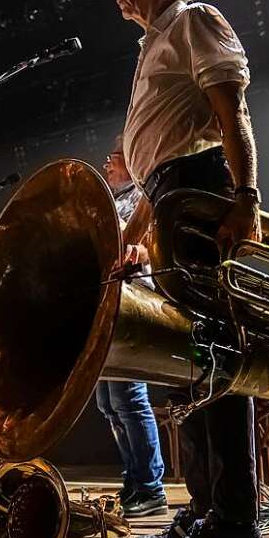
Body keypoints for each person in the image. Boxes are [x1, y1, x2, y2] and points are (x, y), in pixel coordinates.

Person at [107, 0, 263, 538]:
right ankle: (202, 512)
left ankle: (233, 529)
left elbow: (231, 116)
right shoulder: (152, 47)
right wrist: (130, 232)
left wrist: (246, 195)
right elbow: (158, 161)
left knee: (215, 360)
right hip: (170, 196)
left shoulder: (194, 19)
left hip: (199, 192)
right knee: (189, 367)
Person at [93, 137, 167, 518]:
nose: (107, 161)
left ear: (134, 165)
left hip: (134, 301)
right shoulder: (110, 199)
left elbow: (151, 245)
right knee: (108, 402)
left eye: (115, 157)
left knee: (128, 399)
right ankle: (134, 480)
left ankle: (151, 486)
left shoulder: (143, 200)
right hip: (109, 304)